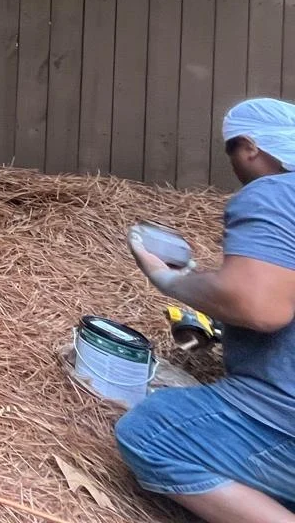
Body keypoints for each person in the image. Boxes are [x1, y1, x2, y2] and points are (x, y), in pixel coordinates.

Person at [118, 98, 295, 523]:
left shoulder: (274, 192)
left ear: (250, 147)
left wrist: (171, 280)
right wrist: (212, 288)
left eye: (231, 150)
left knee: (149, 433)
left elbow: (260, 307)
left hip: (284, 420)